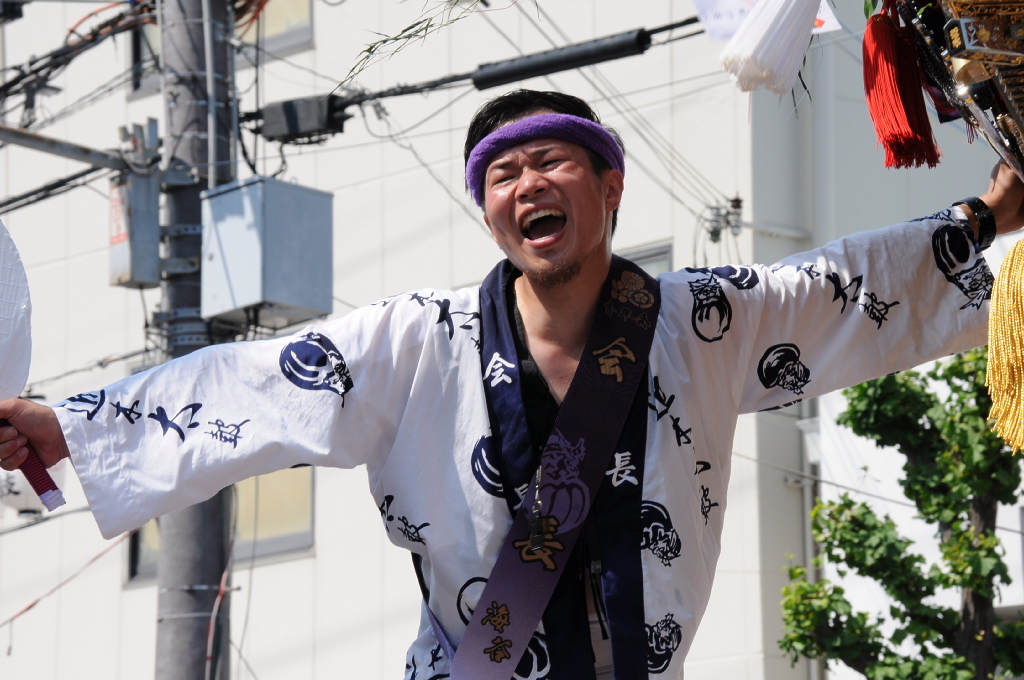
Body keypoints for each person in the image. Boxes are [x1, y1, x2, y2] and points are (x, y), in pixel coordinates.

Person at [1, 89, 1022, 680]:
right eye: (503, 174)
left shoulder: (706, 320)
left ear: (610, 186)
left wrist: (986, 218)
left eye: (552, 162)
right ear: (489, 212)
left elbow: (838, 287)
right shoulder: (416, 340)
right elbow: (252, 386)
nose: (528, 184)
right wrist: (70, 425)